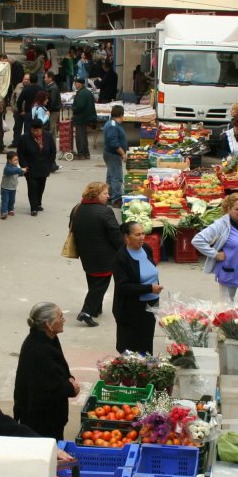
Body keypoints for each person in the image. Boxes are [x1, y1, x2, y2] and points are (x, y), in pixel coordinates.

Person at [13, 302, 81, 440]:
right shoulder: (40, 350)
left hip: (48, 416)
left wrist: (69, 377)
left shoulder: (49, 338)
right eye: (60, 317)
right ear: (49, 325)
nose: (64, 320)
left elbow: (60, 365)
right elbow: (51, 389)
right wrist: (71, 387)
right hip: (41, 421)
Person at [192, 193, 238, 303]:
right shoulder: (221, 224)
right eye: (237, 209)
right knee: (227, 309)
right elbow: (197, 240)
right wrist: (215, 254)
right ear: (228, 209)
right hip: (229, 271)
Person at [72, 182, 123, 327]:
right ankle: (86, 311)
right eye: (105, 193)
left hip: (86, 253)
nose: (108, 196)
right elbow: (115, 234)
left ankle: (96, 308)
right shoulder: (105, 212)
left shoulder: (77, 208)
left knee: (92, 281)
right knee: (99, 285)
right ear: (96, 194)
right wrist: (123, 250)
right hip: (104, 256)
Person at [112, 222, 163, 354]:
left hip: (151, 304)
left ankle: (146, 369)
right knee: (131, 345)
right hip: (132, 309)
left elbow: (151, 270)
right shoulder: (121, 257)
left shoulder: (146, 248)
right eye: (137, 234)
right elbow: (123, 287)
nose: (142, 237)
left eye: (143, 233)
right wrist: (149, 288)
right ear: (126, 237)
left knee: (146, 342)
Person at [17, 119, 55, 216]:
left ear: (41, 129)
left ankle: (38, 203)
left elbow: (52, 152)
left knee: (41, 186)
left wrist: (49, 164)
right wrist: (24, 166)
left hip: (44, 167)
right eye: (34, 130)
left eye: (38, 130)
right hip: (30, 168)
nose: (35, 132)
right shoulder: (24, 138)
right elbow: (20, 154)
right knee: (32, 186)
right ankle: (33, 208)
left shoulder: (48, 137)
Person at [103, 105, 128, 206]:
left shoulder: (112, 124)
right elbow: (114, 143)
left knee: (111, 176)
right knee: (117, 177)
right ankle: (116, 199)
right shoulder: (113, 126)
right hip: (113, 154)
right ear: (121, 115)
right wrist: (123, 154)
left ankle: (109, 195)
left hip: (110, 154)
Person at [71, 77, 97, 160]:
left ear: (80, 84)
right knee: (84, 136)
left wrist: (73, 109)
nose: (75, 85)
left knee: (80, 137)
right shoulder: (87, 92)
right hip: (86, 117)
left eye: (76, 83)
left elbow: (79, 106)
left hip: (81, 118)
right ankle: (86, 154)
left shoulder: (81, 93)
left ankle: (81, 154)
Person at [0, 151, 25, 219]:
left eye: (17, 159)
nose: (17, 161)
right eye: (15, 160)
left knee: (12, 200)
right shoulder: (7, 168)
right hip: (5, 188)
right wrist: (20, 170)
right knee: (5, 201)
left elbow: (18, 173)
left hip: (13, 188)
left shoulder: (17, 167)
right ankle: (4, 212)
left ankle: (10, 209)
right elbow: (13, 171)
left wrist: (23, 172)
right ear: (9, 160)